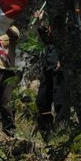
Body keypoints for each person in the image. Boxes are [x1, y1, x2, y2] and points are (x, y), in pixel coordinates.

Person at [32, 9, 69, 138]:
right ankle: (46, 133)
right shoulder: (52, 34)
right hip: (47, 70)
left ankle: (61, 134)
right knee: (42, 102)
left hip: (60, 71)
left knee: (61, 102)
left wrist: (63, 60)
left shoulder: (68, 27)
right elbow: (46, 38)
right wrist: (40, 21)